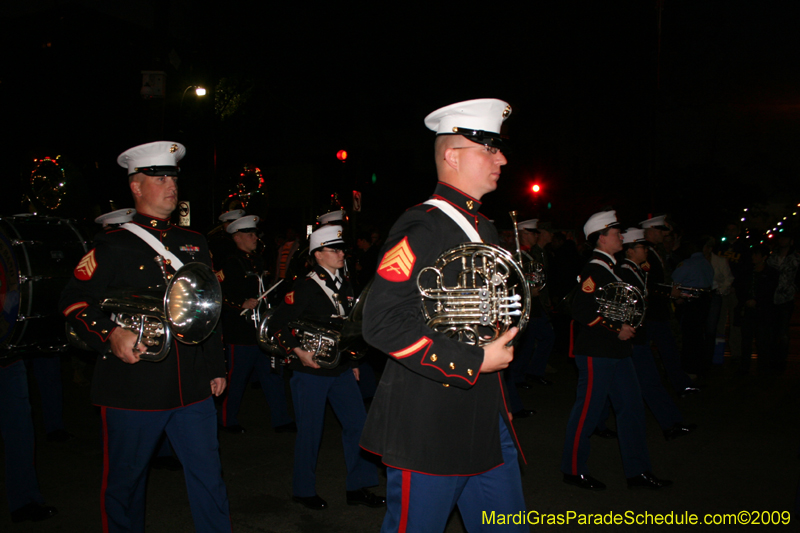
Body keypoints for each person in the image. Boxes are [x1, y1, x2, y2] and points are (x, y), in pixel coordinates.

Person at [359, 99, 527, 532]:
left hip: (485, 417)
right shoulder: (424, 225)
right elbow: (380, 322)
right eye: (489, 148)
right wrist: (475, 360)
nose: (502, 158)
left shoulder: (483, 228)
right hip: (430, 422)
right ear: (453, 155)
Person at [59, 141, 231, 533]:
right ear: (136, 186)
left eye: (173, 176)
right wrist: (110, 335)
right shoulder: (113, 243)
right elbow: (73, 301)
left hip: (192, 384)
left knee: (210, 479)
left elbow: (208, 309)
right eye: (159, 177)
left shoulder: (195, 242)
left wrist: (215, 366)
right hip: (133, 386)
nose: (171, 184)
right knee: (126, 486)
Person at [269, 225, 384, 511]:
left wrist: (354, 361)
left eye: (342, 249)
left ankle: (358, 486)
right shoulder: (305, 285)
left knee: (358, 426)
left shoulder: (344, 282)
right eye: (335, 249)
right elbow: (278, 324)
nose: (342, 253)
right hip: (310, 371)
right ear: (318, 254)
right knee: (311, 431)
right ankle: (303, 489)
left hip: (340, 368)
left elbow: (347, 327)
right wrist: (297, 351)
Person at [561, 211, 671, 491]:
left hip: (615, 350)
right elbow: (581, 310)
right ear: (600, 238)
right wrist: (616, 327)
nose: (621, 236)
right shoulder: (594, 269)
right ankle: (573, 469)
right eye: (615, 233)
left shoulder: (609, 267)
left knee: (632, 409)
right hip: (598, 351)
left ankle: (638, 472)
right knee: (587, 411)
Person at [218, 215, 295, 434]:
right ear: (237, 238)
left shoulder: (259, 260)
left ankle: (281, 419)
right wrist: (239, 302)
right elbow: (218, 293)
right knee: (236, 380)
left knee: (273, 374)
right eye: (250, 234)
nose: (255, 238)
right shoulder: (231, 263)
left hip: (262, 330)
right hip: (240, 333)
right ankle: (226, 420)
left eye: (254, 233)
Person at [618, 228, 696, 441]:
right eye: (642, 247)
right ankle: (670, 424)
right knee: (648, 382)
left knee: (631, 384)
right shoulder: (626, 272)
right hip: (634, 336)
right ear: (631, 251)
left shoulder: (635, 270)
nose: (646, 250)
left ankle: (670, 422)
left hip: (636, 335)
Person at [639, 216, 698, 396]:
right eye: (660, 230)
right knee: (644, 352)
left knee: (669, 350)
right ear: (650, 231)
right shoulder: (644, 252)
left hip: (659, 310)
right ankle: (648, 387)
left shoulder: (656, 251)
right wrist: (669, 292)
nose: (663, 234)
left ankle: (681, 384)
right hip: (650, 311)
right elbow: (646, 284)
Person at [1, 357, 58, 523]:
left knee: (19, 426)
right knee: (17, 426)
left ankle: (23, 500)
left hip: (7, 357)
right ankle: (23, 500)